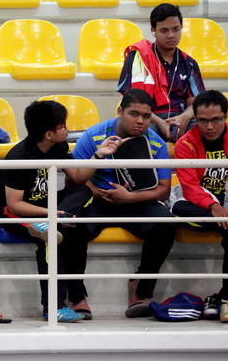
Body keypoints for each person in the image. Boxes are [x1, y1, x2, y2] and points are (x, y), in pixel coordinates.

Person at [0, 100, 103, 323]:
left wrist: (99, 155)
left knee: (83, 191)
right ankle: (54, 308)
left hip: (46, 208)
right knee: (52, 238)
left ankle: (57, 223)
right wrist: (49, 213)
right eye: (63, 125)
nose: (68, 129)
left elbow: (78, 178)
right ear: (49, 134)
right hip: (14, 214)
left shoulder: (59, 147)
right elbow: (14, 204)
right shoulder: (19, 158)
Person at [71, 89, 177, 319]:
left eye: (146, 116)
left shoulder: (156, 143)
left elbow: (164, 189)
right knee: (72, 226)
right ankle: (78, 297)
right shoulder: (93, 136)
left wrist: (130, 198)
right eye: (134, 114)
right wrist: (99, 192)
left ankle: (140, 289)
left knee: (167, 224)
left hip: (137, 201)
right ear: (120, 111)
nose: (140, 121)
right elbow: (74, 177)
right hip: (98, 199)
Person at [172, 90, 228, 322]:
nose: (209, 127)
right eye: (202, 121)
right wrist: (214, 206)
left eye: (216, 119)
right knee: (179, 209)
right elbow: (190, 187)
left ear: (226, 116)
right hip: (201, 206)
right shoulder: (185, 144)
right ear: (195, 118)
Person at [117, 3, 206, 142]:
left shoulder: (189, 63)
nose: (171, 35)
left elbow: (196, 104)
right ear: (153, 31)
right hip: (148, 118)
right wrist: (160, 123)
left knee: (206, 128)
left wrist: (184, 117)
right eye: (164, 30)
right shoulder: (137, 58)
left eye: (176, 29)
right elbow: (131, 101)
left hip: (180, 117)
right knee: (140, 130)